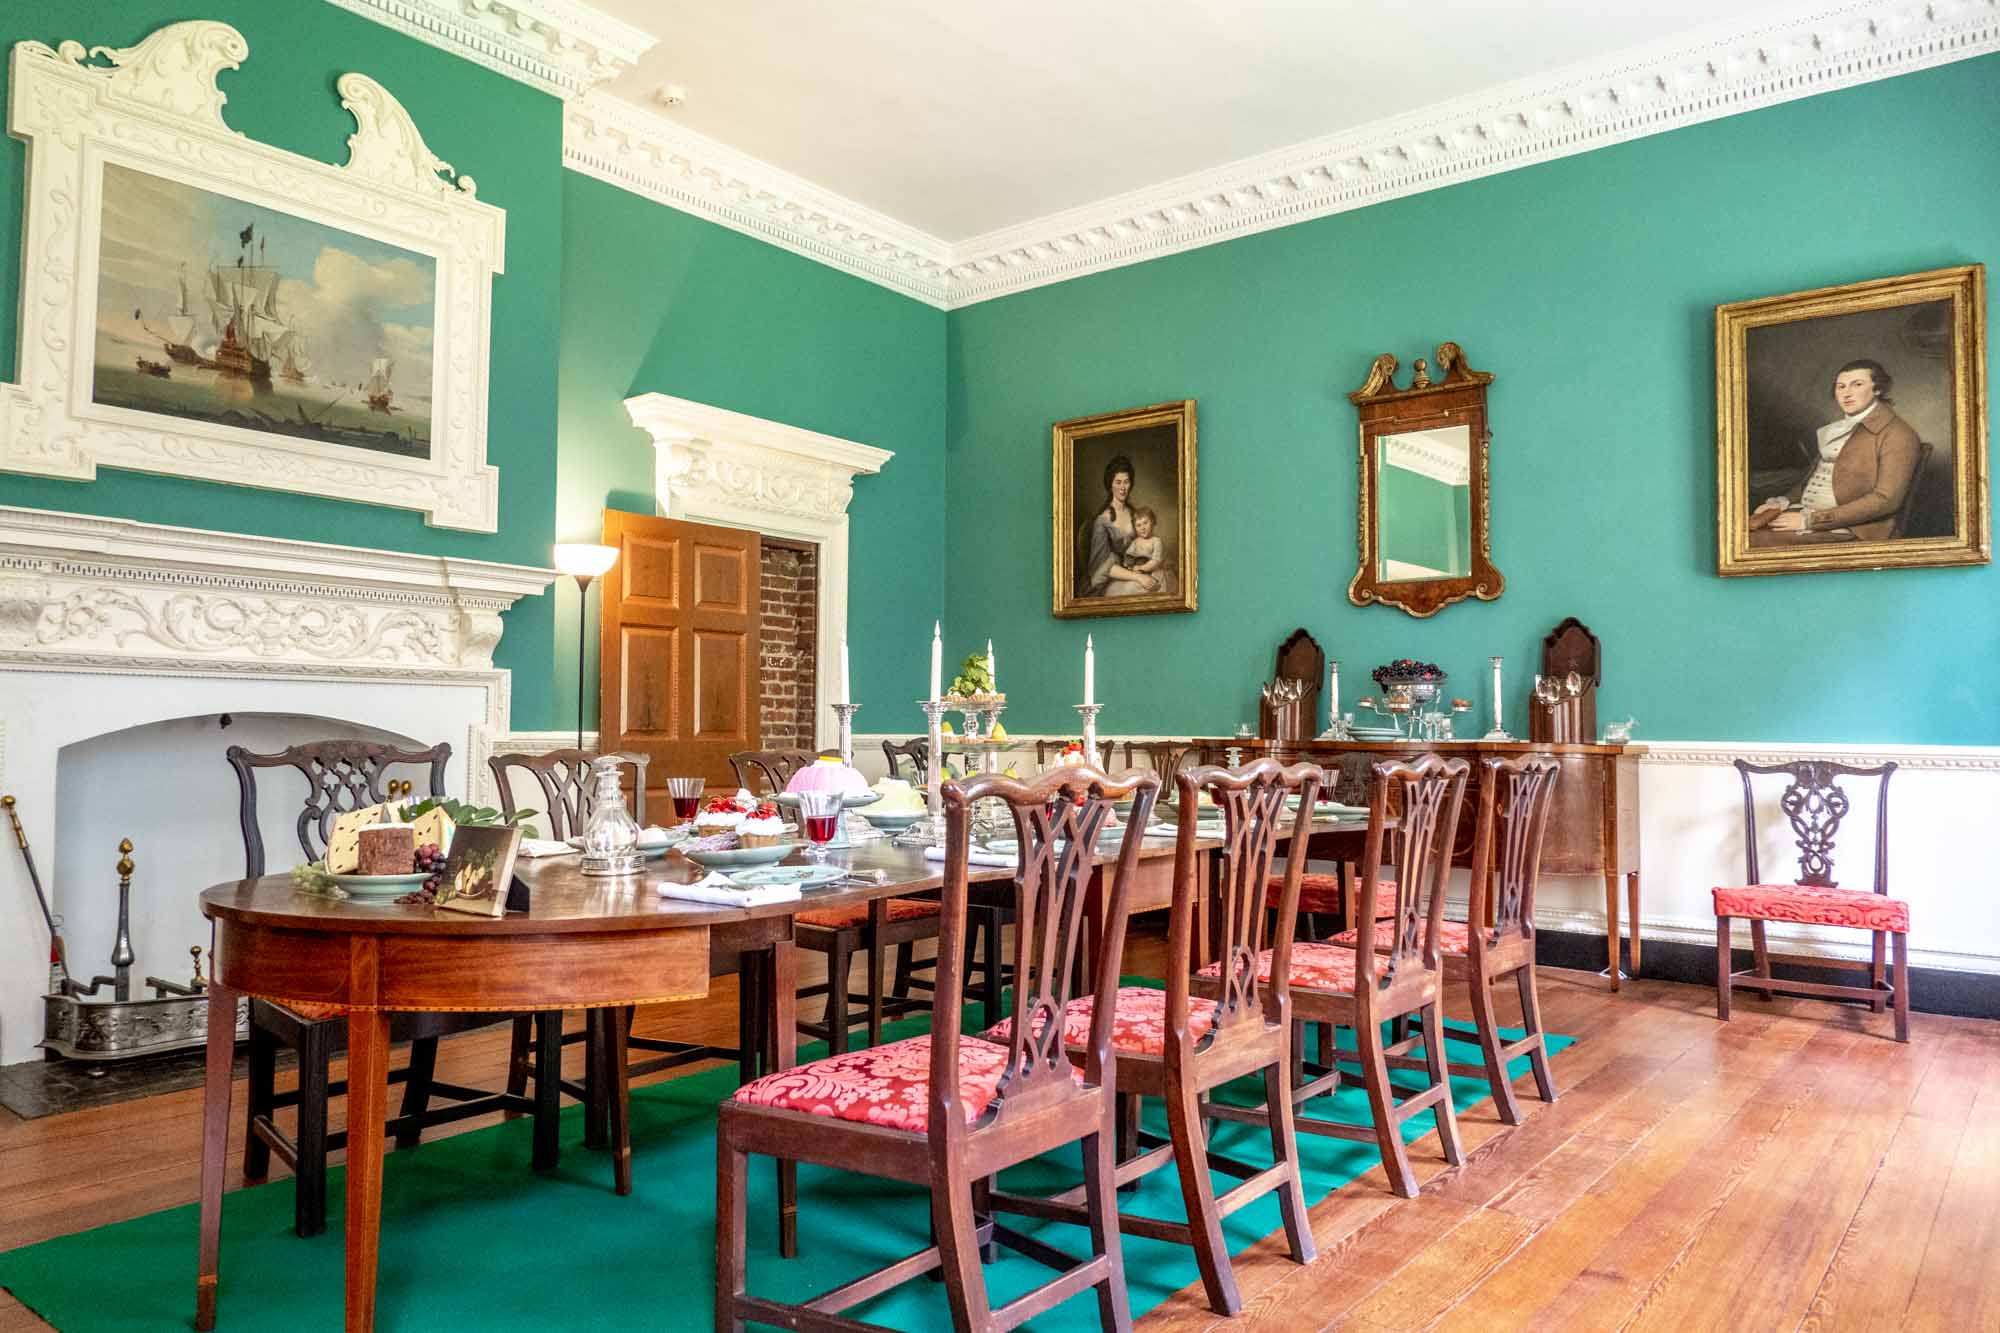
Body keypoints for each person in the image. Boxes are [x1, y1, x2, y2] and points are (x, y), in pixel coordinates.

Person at [1754, 359, 1922, 541]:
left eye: (1857, 384)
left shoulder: (1898, 434)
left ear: (1878, 389)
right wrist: (1782, 502)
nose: (1846, 393)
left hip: (1854, 529)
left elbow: (1886, 500)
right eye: (1840, 387)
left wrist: (1810, 521)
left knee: (1756, 545)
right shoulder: (1836, 429)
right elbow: (1814, 481)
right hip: (1804, 514)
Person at [1079, 455, 1161, 595]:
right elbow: (1102, 566)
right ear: (1110, 485)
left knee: (1161, 579)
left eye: (1126, 482)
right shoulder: (1102, 521)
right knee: (1141, 588)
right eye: (1118, 482)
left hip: (1137, 571)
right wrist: (1139, 577)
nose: (1123, 488)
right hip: (1110, 581)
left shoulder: (1135, 515)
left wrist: (1144, 568)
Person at [1111, 506, 1171, 596]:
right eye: (1138, 525)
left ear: (1153, 522)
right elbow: (1128, 555)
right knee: (1121, 588)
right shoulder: (1135, 542)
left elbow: (1156, 561)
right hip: (1137, 571)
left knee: (1149, 587)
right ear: (1135, 528)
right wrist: (1128, 565)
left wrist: (1141, 568)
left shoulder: (1156, 541)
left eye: (1145, 523)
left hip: (1153, 573)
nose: (1142, 527)